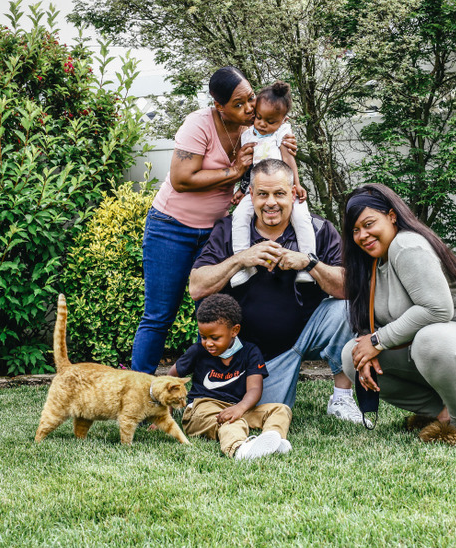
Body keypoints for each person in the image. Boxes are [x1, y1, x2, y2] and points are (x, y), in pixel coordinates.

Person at [130, 66, 295, 375]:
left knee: (212, 315)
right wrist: (233, 172)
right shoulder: (199, 124)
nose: (249, 108)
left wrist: (287, 152)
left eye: (250, 98)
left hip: (217, 232)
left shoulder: (257, 126)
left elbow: (273, 161)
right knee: (159, 315)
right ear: (219, 106)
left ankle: (203, 391)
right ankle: (139, 394)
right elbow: (181, 178)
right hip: (171, 227)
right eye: (238, 104)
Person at [188, 158, 365, 423]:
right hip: (252, 354)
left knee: (347, 308)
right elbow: (196, 287)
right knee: (256, 415)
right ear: (251, 195)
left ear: (293, 194)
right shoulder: (229, 230)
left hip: (305, 337)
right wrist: (240, 259)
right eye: (263, 194)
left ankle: (341, 398)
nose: (271, 202)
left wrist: (309, 262)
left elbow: (351, 287)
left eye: (279, 193)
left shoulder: (317, 229)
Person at [340, 183, 456, 443]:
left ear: (391, 216)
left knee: (429, 339)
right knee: (351, 355)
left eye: (369, 224)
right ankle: (440, 414)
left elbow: (437, 309)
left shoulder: (406, 245)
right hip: (427, 351)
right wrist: (367, 348)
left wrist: (377, 341)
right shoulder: (374, 261)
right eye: (355, 230)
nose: (362, 235)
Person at [168, 294, 292, 460]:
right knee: (232, 422)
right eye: (204, 337)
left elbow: (255, 389)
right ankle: (240, 449)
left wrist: (240, 408)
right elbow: (170, 379)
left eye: (215, 338)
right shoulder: (197, 352)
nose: (208, 343)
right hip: (202, 410)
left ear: (234, 331)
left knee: (281, 409)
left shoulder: (250, 352)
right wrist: (165, 415)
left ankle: (274, 440)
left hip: (236, 407)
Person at [230, 81, 315, 287]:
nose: (261, 124)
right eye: (258, 117)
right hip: (256, 191)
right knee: (239, 216)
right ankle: (243, 264)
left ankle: (307, 262)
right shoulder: (248, 134)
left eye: (270, 121)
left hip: (283, 190)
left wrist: (298, 184)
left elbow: (288, 159)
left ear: (283, 120)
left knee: (302, 217)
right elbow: (247, 166)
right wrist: (241, 190)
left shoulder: (282, 133)